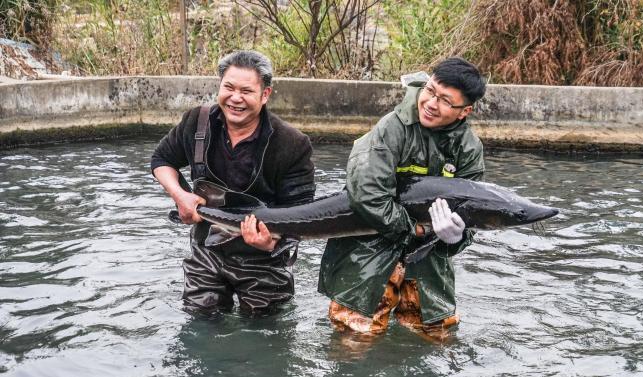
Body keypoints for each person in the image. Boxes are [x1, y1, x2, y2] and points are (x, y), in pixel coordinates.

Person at [318, 57, 486, 341]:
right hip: (367, 249)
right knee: (355, 339)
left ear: (464, 111)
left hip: (428, 259)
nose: (431, 103)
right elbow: (366, 194)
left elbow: (472, 216)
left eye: (445, 100)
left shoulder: (468, 149)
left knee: (436, 338)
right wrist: (416, 229)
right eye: (430, 91)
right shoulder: (392, 128)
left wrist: (454, 237)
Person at [151, 50, 315, 318]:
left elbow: (302, 213)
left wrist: (271, 244)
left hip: (264, 259)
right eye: (228, 87)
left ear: (265, 95)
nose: (235, 98)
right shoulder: (197, 121)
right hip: (207, 248)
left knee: (265, 330)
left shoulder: (293, 143)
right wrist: (180, 195)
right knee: (201, 324)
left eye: (246, 91)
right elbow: (161, 159)